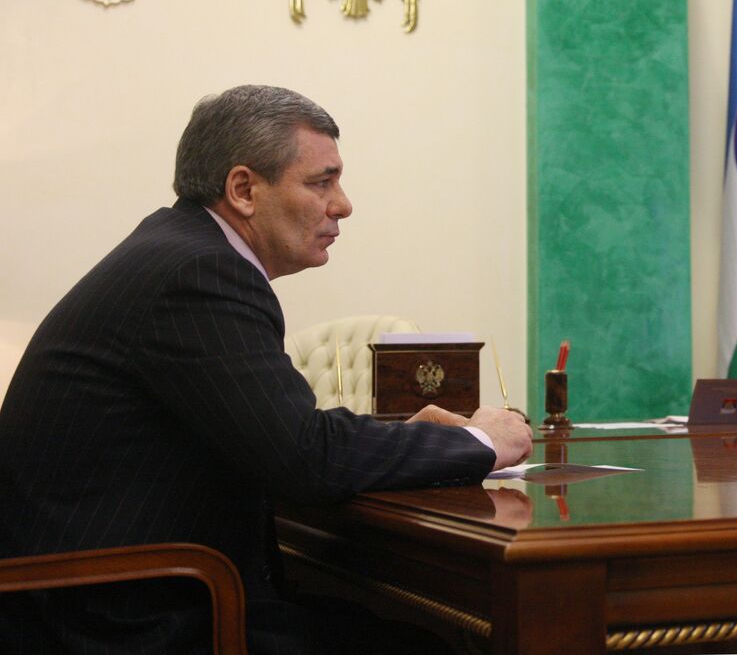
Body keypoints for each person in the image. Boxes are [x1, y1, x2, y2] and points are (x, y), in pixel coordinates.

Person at [0, 85, 534, 653]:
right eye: (320, 182)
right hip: (121, 621)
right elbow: (305, 455)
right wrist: (482, 440)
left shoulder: (178, 250)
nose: (343, 204)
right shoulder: (199, 272)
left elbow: (275, 435)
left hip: (119, 596)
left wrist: (410, 438)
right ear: (244, 189)